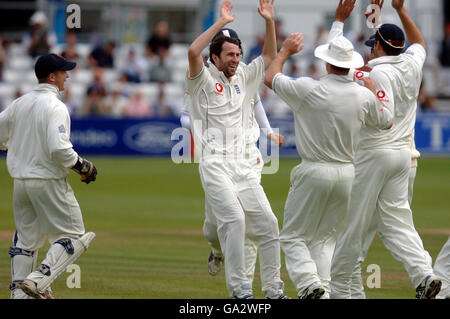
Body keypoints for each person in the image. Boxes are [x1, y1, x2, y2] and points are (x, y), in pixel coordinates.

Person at [264, 0, 393, 299]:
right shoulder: (361, 96)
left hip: (314, 171)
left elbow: (270, 77)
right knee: (324, 240)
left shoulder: (310, 89)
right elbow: (386, 121)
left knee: (293, 237)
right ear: (350, 66)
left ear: (327, 63)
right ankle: (327, 291)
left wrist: (283, 53)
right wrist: (375, 89)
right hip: (348, 175)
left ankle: (311, 286)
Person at [330, 0, 442, 299]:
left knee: (355, 223)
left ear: (379, 48)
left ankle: (339, 288)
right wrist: (398, 10)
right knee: (396, 223)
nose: (369, 50)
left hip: (375, 156)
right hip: (404, 158)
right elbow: (418, 41)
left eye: (373, 45)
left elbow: (338, 65)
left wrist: (340, 23)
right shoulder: (411, 62)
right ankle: (424, 276)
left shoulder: (376, 73)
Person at [186, 0, 287, 299]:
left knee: (269, 225)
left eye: (238, 54)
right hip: (215, 164)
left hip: (244, 164)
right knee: (235, 221)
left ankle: (273, 290)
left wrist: (269, 20)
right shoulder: (201, 79)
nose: (235, 59)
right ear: (214, 57)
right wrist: (220, 23)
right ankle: (240, 291)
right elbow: (193, 51)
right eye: (229, 54)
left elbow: (269, 54)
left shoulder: (244, 75)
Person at [0, 53, 97, 299]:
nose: (68, 76)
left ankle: (19, 295)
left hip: (21, 183)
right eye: (64, 72)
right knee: (74, 235)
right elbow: (59, 148)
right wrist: (83, 166)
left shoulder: (19, 103)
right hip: (48, 181)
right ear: (52, 77)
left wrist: (18, 149)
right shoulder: (55, 106)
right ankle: (38, 281)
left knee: (26, 241)